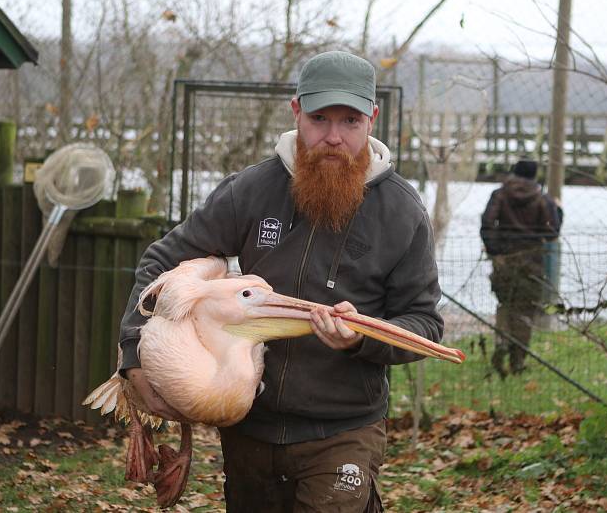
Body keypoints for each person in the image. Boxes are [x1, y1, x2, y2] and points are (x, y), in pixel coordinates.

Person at [118, 50, 444, 512]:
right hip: (250, 425)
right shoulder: (251, 190)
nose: (333, 137)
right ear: (296, 112)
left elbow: (425, 326)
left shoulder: (401, 212)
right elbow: (162, 262)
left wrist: (360, 339)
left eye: (349, 121)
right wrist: (134, 355)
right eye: (319, 119)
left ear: (372, 118)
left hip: (343, 430)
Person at [480, 159, 562, 377]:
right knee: (525, 312)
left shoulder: (499, 195)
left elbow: (487, 223)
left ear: (513, 172)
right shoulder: (543, 200)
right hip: (531, 262)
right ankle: (518, 361)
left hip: (504, 261)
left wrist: (495, 251)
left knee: (505, 304)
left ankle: (501, 342)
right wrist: (558, 210)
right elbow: (552, 231)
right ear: (534, 176)